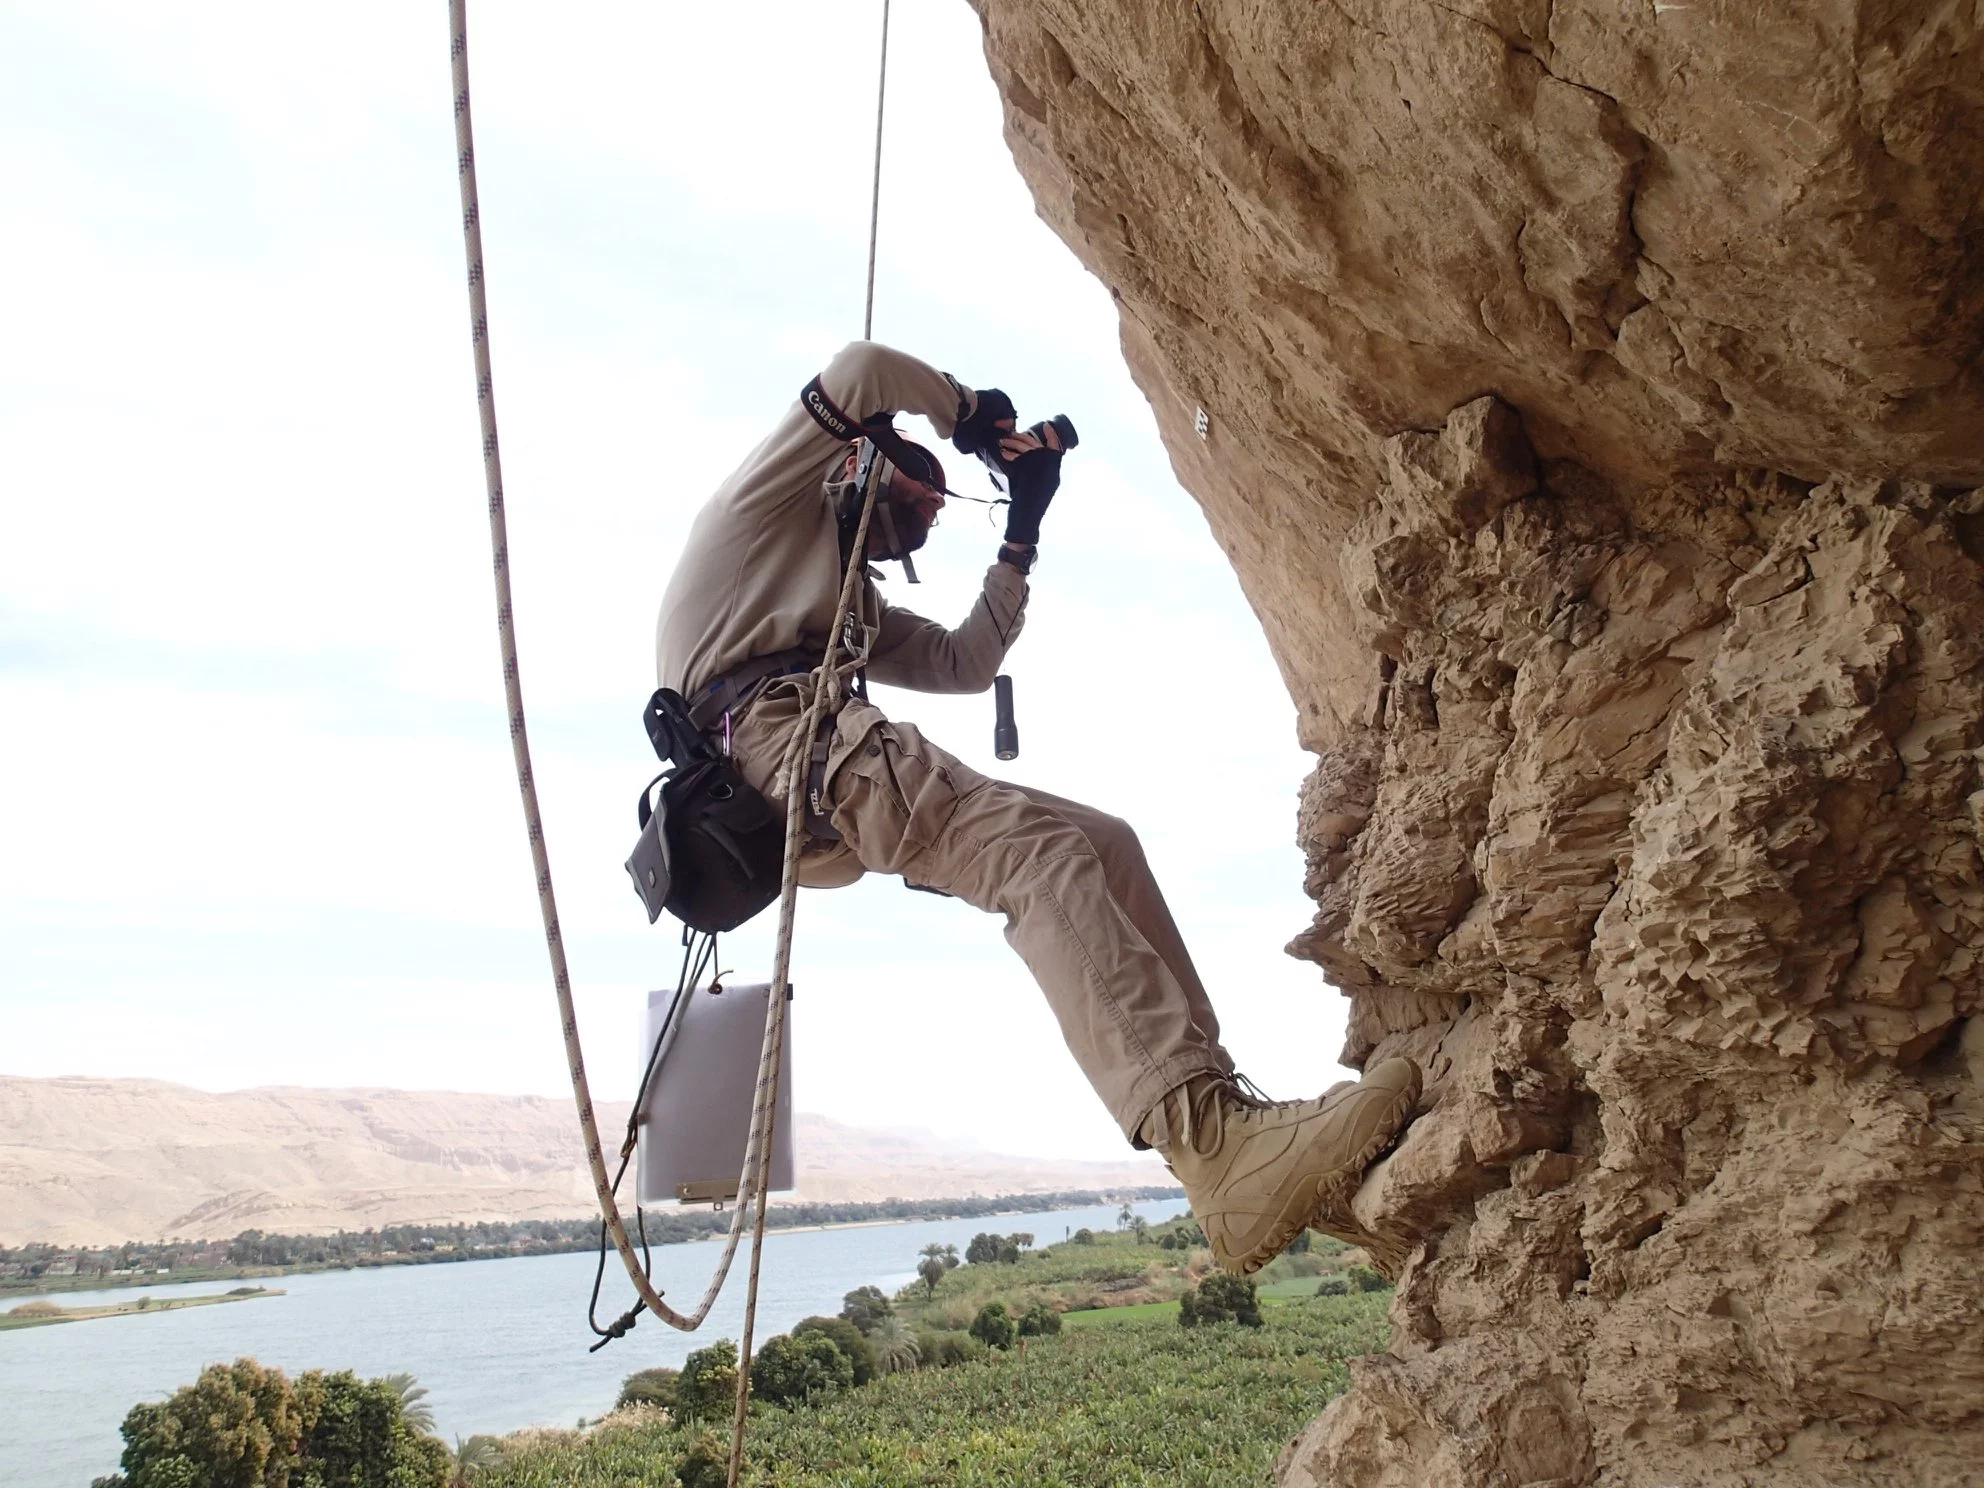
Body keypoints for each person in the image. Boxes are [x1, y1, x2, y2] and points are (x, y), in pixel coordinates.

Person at [653, 341, 1420, 1274]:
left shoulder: (842, 605)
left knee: (1105, 845)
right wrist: (969, 413)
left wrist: (1022, 530)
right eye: (922, 490)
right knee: (1037, 859)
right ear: (858, 463)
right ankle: (1213, 1143)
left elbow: (961, 665)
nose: (934, 511)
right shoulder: (763, 517)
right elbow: (858, 373)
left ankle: (1233, 1128)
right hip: (782, 740)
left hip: (808, 744)